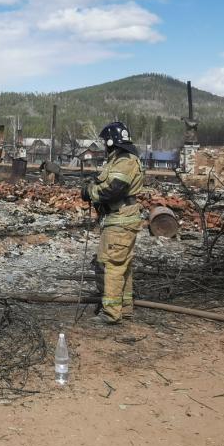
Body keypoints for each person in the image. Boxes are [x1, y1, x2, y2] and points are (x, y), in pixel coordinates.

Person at [80, 121, 144, 324]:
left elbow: (113, 189)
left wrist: (90, 191)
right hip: (122, 218)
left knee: (111, 266)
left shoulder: (124, 161)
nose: (103, 146)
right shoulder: (122, 159)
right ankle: (124, 308)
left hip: (119, 220)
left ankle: (111, 313)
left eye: (104, 142)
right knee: (122, 265)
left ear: (111, 141)